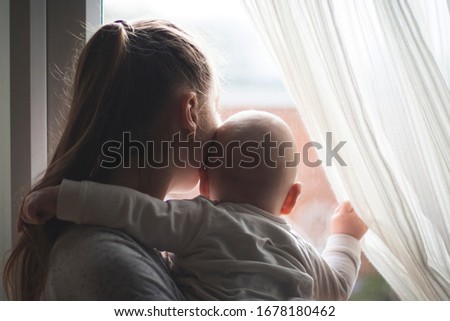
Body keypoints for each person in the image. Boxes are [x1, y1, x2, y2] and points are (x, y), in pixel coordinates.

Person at [22, 111, 368, 300]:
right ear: (291, 199)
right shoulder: (300, 249)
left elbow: (130, 209)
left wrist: (62, 198)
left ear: (204, 180)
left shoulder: (200, 220)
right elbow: (337, 288)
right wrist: (346, 237)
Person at [3, 20, 220, 300]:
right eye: (215, 106)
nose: (220, 125)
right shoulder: (115, 269)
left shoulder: (120, 244)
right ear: (190, 109)